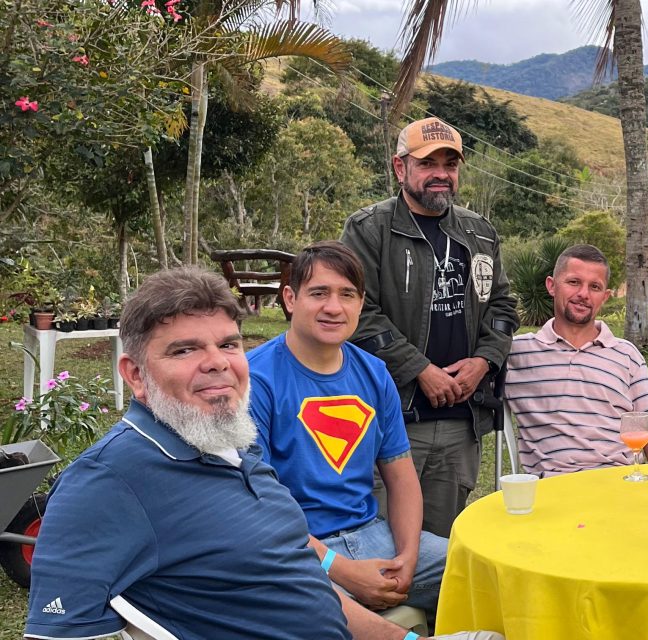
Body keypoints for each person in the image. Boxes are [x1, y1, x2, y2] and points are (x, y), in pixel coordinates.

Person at [22, 266, 467, 640]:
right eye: (185, 349)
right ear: (135, 375)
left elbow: (303, 589)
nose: (217, 361)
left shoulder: (235, 452)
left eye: (229, 344)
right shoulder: (105, 482)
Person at [247, 242, 448, 617]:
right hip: (297, 553)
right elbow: (259, 509)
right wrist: (342, 571)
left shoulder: (374, 373)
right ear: (290, 298)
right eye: (319, 293)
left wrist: (407, 557)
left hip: (374, 535)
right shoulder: (254, 380)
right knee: (304, 614)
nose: (334, 307)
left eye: (347, 294)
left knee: (475, 569)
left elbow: (402, 477)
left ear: (360, 303)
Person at [341, 117, 518, 538]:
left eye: (450, 164)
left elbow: (502, 305)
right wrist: (420, 370)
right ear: (400, 168)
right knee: (385, 541)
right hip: (394, 417)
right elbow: (357, 313)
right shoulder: (369, 229)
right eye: (428, 163)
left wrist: (483, 362)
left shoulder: (479, 232)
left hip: (462, 420)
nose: (441, 174)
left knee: (442, 547)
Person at [503, 244, 648, 476]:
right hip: (552, 488)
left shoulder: (626, 354)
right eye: (574, 282)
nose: (583, 294)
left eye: (595, 287)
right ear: (551, 286)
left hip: (617, 481)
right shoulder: (518, 353)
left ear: (605, 296)